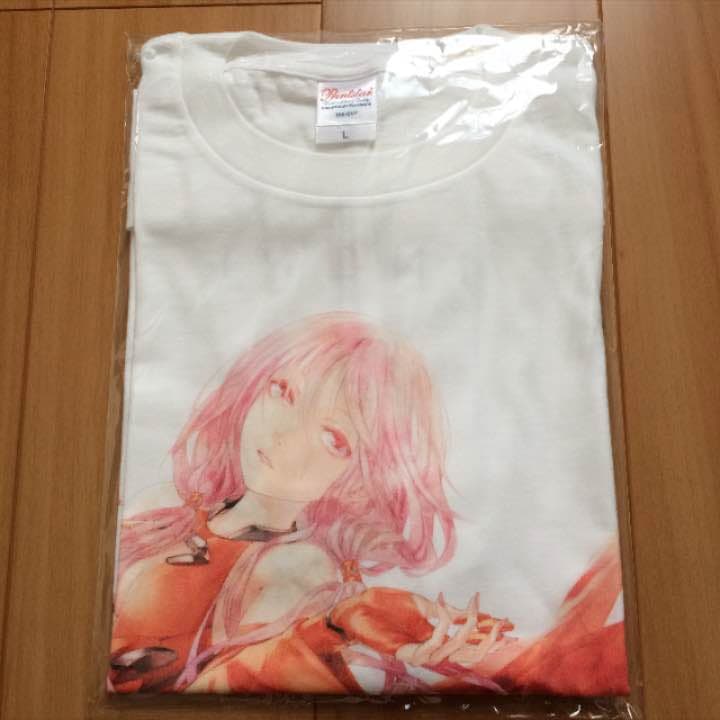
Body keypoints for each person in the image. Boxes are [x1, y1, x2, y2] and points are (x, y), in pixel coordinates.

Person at [109, 312, 627, 695]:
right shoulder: (164, 506)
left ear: (361, 477)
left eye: (332, 437)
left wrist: (331, 627)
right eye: (282, 392)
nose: (283, 432)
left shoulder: (297, 567)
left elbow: (229, 689)